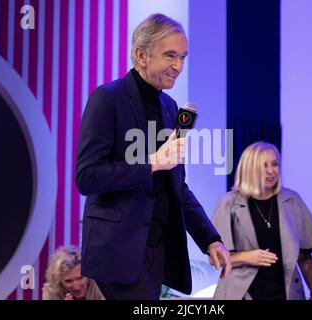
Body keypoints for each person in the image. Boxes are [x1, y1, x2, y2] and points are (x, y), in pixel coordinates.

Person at [75, 13, 231, 300]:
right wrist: (152, 162)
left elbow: (177, 187)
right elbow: (87, 177)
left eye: (183, 57)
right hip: (118, 249)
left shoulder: (171, 108)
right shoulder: (107, 99)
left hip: (157, 250)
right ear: (140, 55)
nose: (178, 66)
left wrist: (211, 239)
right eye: (170, 56)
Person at [212, 142, 312, 300]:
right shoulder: (228, 203)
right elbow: (214, 258)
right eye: (264, 166)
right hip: (242, 294)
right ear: (249, 169)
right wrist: (247, 257)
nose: (271, 171)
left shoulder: (292, 200)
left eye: (275, 164)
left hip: (286, 294)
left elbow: (304, 256)